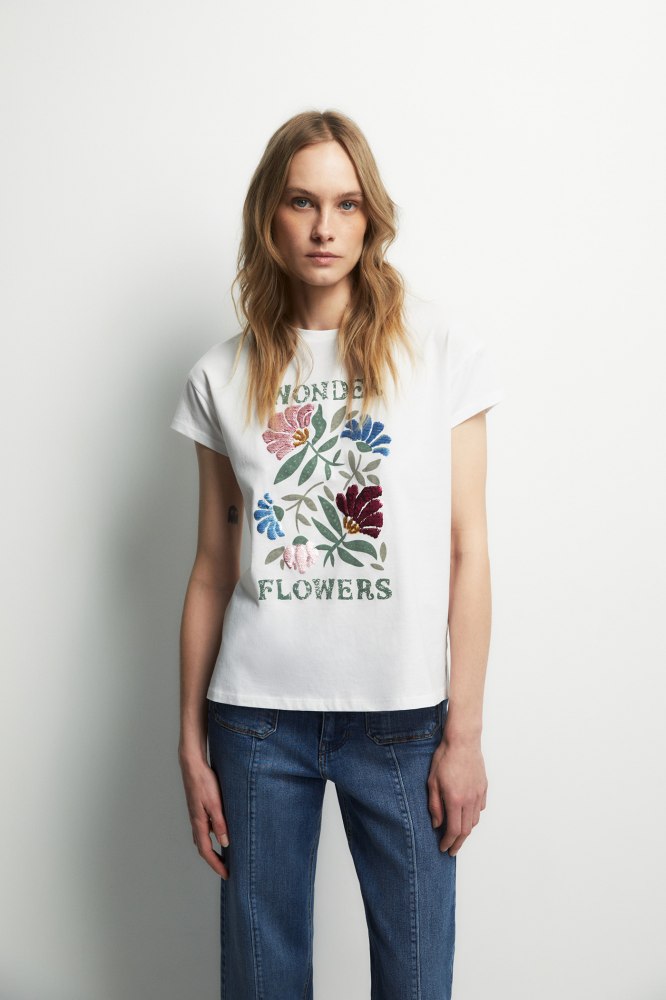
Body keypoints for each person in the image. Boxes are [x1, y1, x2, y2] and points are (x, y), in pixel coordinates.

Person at [169, 108, 504, 1000]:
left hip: (402, 720)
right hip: (255, 724)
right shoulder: (221, 376)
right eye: (302, 202)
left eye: (347, 204)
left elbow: (468, 550)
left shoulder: (440, 352)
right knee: (263, 981)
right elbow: (212, 568)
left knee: (417, 978)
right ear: (268, 217)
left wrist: (465, 735)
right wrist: (190, 744)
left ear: (370, 217)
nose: (325, 227)